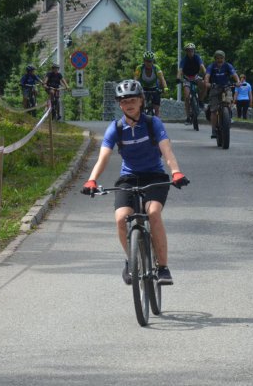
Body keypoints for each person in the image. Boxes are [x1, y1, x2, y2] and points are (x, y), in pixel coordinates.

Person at [81, 79, 190, 285]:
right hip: (129, 178)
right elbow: (103, 158)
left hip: (154, 176)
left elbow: (167, 151)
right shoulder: (116, 128)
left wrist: (175, 172)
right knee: (121, 218)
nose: (128, 104)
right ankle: (131, 261)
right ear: (119, 105)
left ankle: (163, 267)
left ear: (141, 101)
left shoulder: (152, 124)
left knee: (153, 212)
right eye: (123, 101)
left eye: (132, 100)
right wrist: (91, 180)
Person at [204, 50, 240, 138]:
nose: (219, 60)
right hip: (215, 88)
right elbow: (207, 76)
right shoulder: (211, 66)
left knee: (228, 102)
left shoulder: (228, 66)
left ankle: (228, 118)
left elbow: (234, 74)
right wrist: (207, 83)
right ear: (215, 59)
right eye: (217, 58)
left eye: (221, 58)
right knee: (213, 109)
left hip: (226, 87)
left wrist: (238, 81)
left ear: (224, 58)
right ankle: (213, 130)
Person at [176, 43, 207, 125]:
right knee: (186, 97)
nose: (190, 52)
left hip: (195, 76)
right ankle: (188, 117)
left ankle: (200, 100)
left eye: (192, 50)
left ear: (194, 51)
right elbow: (180, 70)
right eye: (189, 51)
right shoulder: (184, 60)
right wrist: (178, 78)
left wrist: (207, 75)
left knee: (205, 85)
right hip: (186, 78)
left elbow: (202, 67)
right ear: (186, 52)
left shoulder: (197, 57)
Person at [134, 51, 168, 117]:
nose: (148, 63)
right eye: (147, 61)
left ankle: (157, 121)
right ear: (144, 61)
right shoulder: (139, 68)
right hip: (143, 88)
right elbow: (135, 79)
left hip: (154, 87)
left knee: (156, 107)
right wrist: (134, 88)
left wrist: (165, 88)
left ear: (153, 61)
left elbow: (162, 79)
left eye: (150, 61)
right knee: (140, 104)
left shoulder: (156, 68)